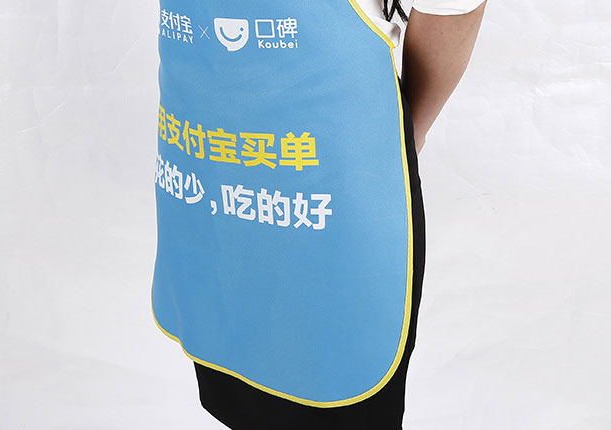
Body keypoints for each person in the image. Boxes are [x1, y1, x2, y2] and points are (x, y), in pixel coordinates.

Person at [152, 1, 487, 429]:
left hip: (329, 191)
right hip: (207, 170)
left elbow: (453, 7)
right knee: (237, 381)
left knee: (334, 389)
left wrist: (402, 134)